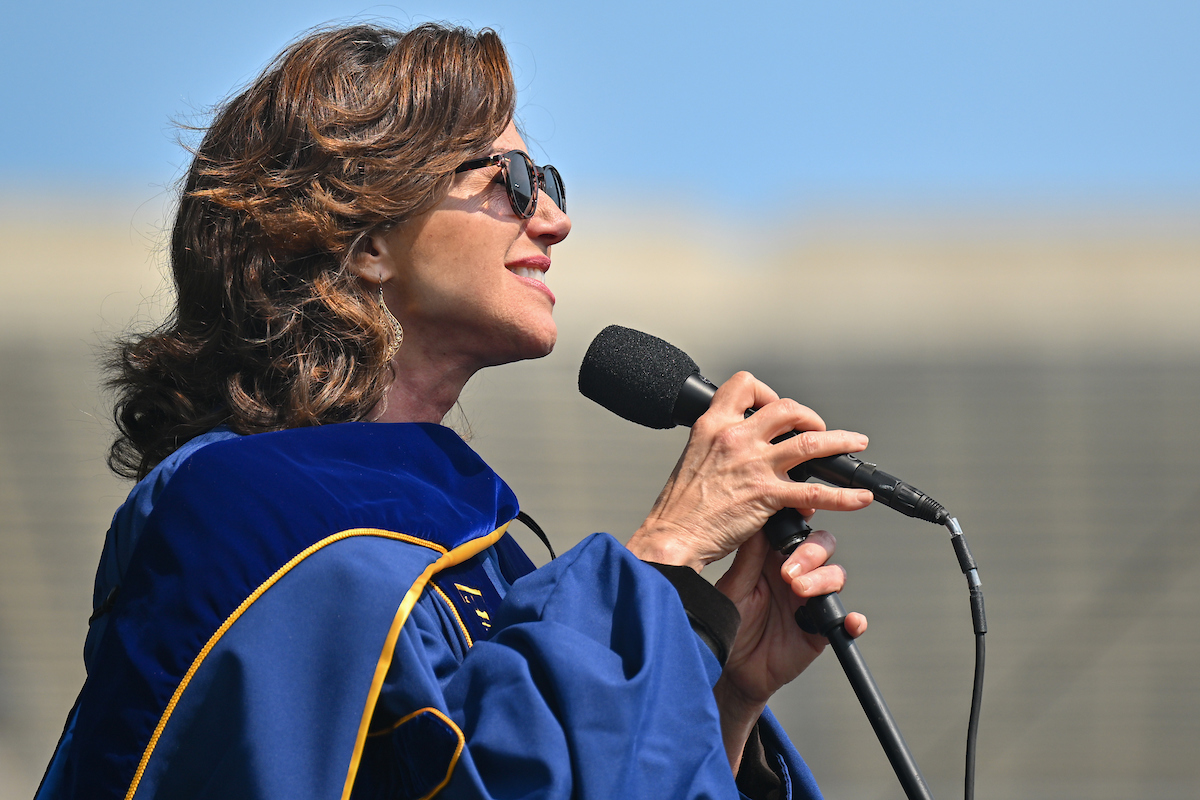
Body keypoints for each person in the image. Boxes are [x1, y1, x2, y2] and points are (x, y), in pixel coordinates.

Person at [36, 22, 872, 800]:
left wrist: (715, 696)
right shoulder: (243, 515)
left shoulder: (494, 561)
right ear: (365, 239)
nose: (554, 218)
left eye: (547, 181)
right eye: (507, 180)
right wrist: (665, 560)